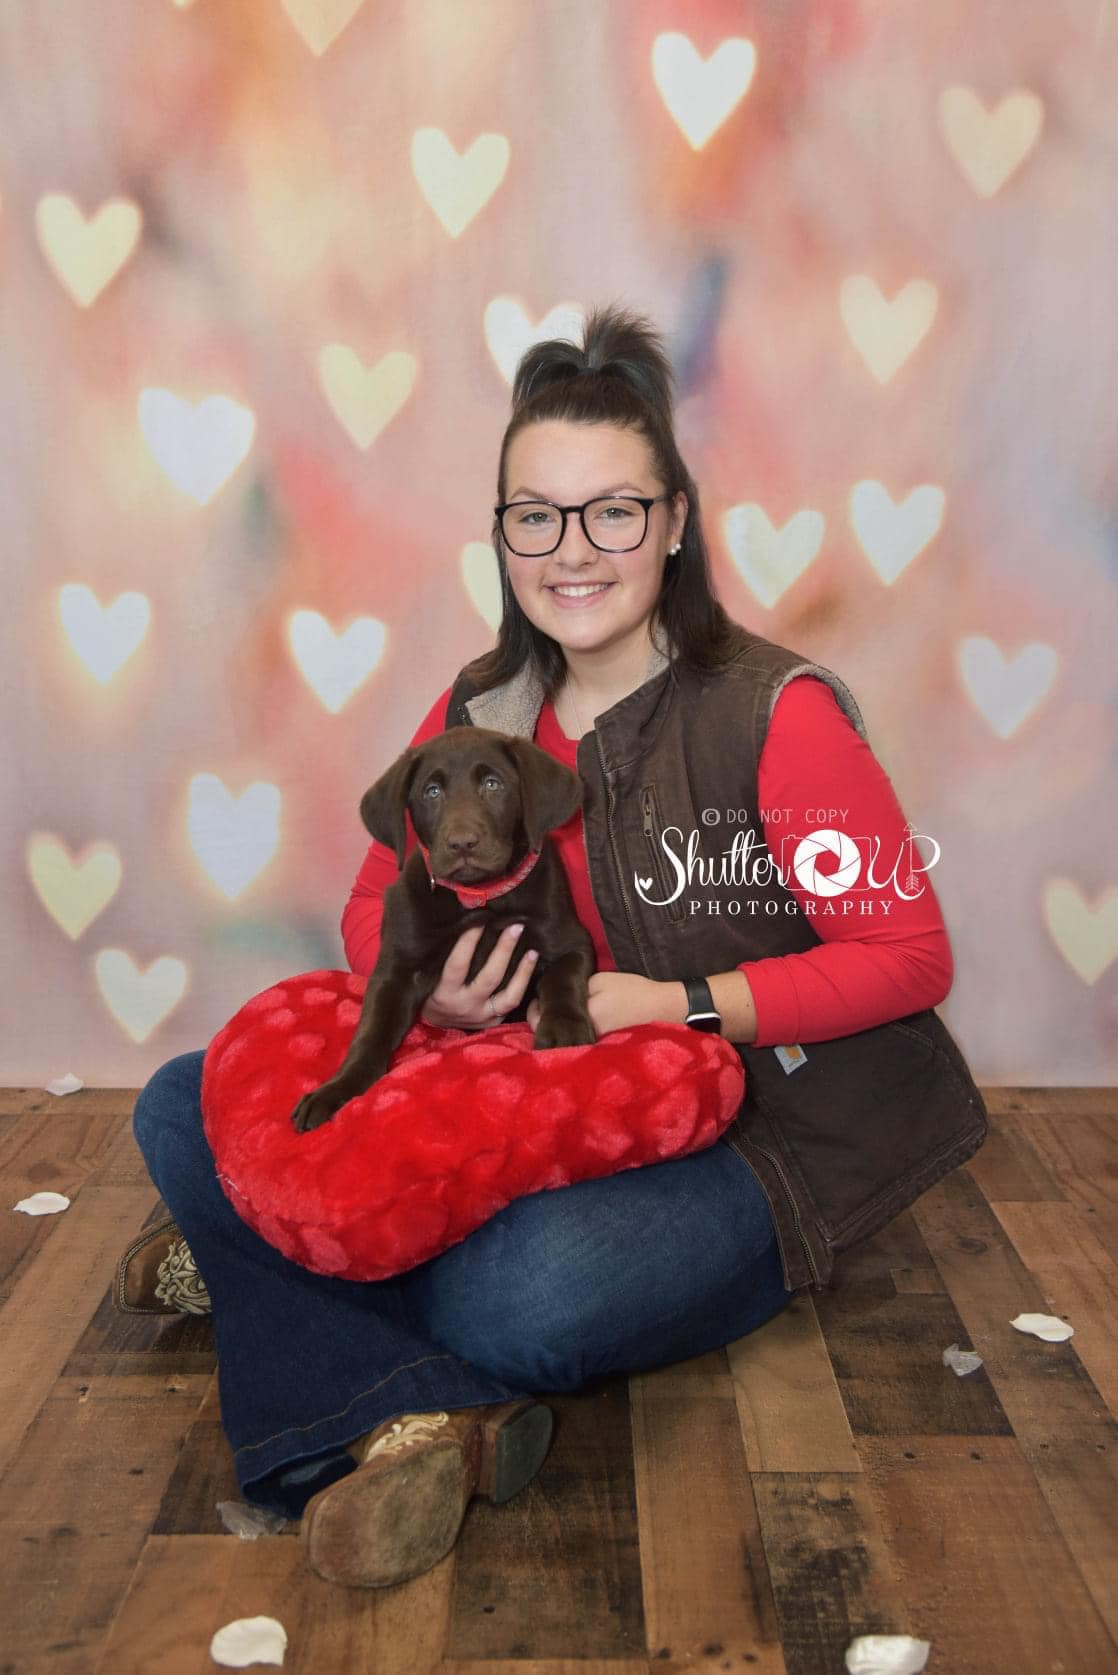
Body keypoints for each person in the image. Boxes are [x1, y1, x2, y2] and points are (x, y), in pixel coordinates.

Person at [122, 303, 986, 1590]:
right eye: (535, 513)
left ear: (676, 521)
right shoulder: (482, 706)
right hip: (530, 1098)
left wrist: (678, 1005)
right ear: (501, 532)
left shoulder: (773, 715)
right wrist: (443, 993)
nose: (571, 550)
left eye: (613, 510)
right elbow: (373, 907)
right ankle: (410, 1407)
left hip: (761, 1134)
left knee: (514, 1297)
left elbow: (908, 957)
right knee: (184, 1103)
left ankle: (272, 1275)